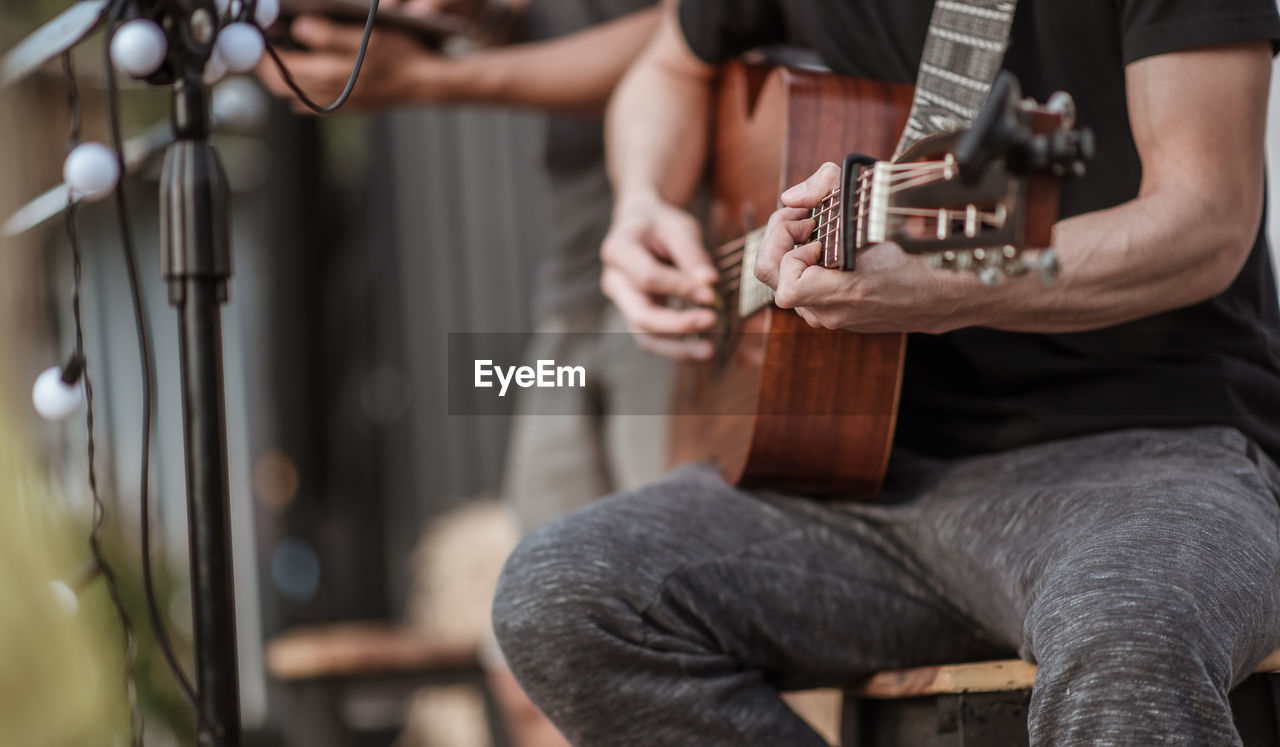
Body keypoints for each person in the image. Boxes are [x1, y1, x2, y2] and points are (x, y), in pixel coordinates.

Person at [491, 0, 1280, 743]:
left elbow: (1207, 219)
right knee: (567, 594)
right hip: (858, 472)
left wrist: (953, 288)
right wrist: (643, 204)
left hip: (1151, 454)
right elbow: (665, 66)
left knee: (1132, 627)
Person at [257, 2, 664, 744]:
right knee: (527, 676)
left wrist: (428, 80)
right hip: (575, 281)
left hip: (689, 262)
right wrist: (471, 19)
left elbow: (691, 33)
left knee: (671, 637)